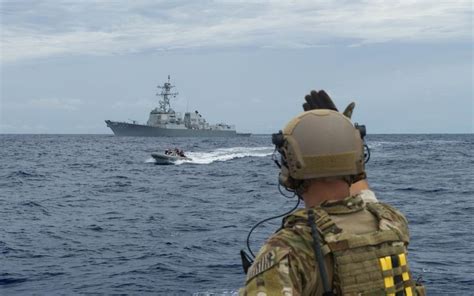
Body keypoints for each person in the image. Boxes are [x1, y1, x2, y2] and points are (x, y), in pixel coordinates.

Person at [239, 90, 425, 295]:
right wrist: (337, 133)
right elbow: (363, 195)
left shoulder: (288, 249)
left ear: (289, 165)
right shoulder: (392, 222)